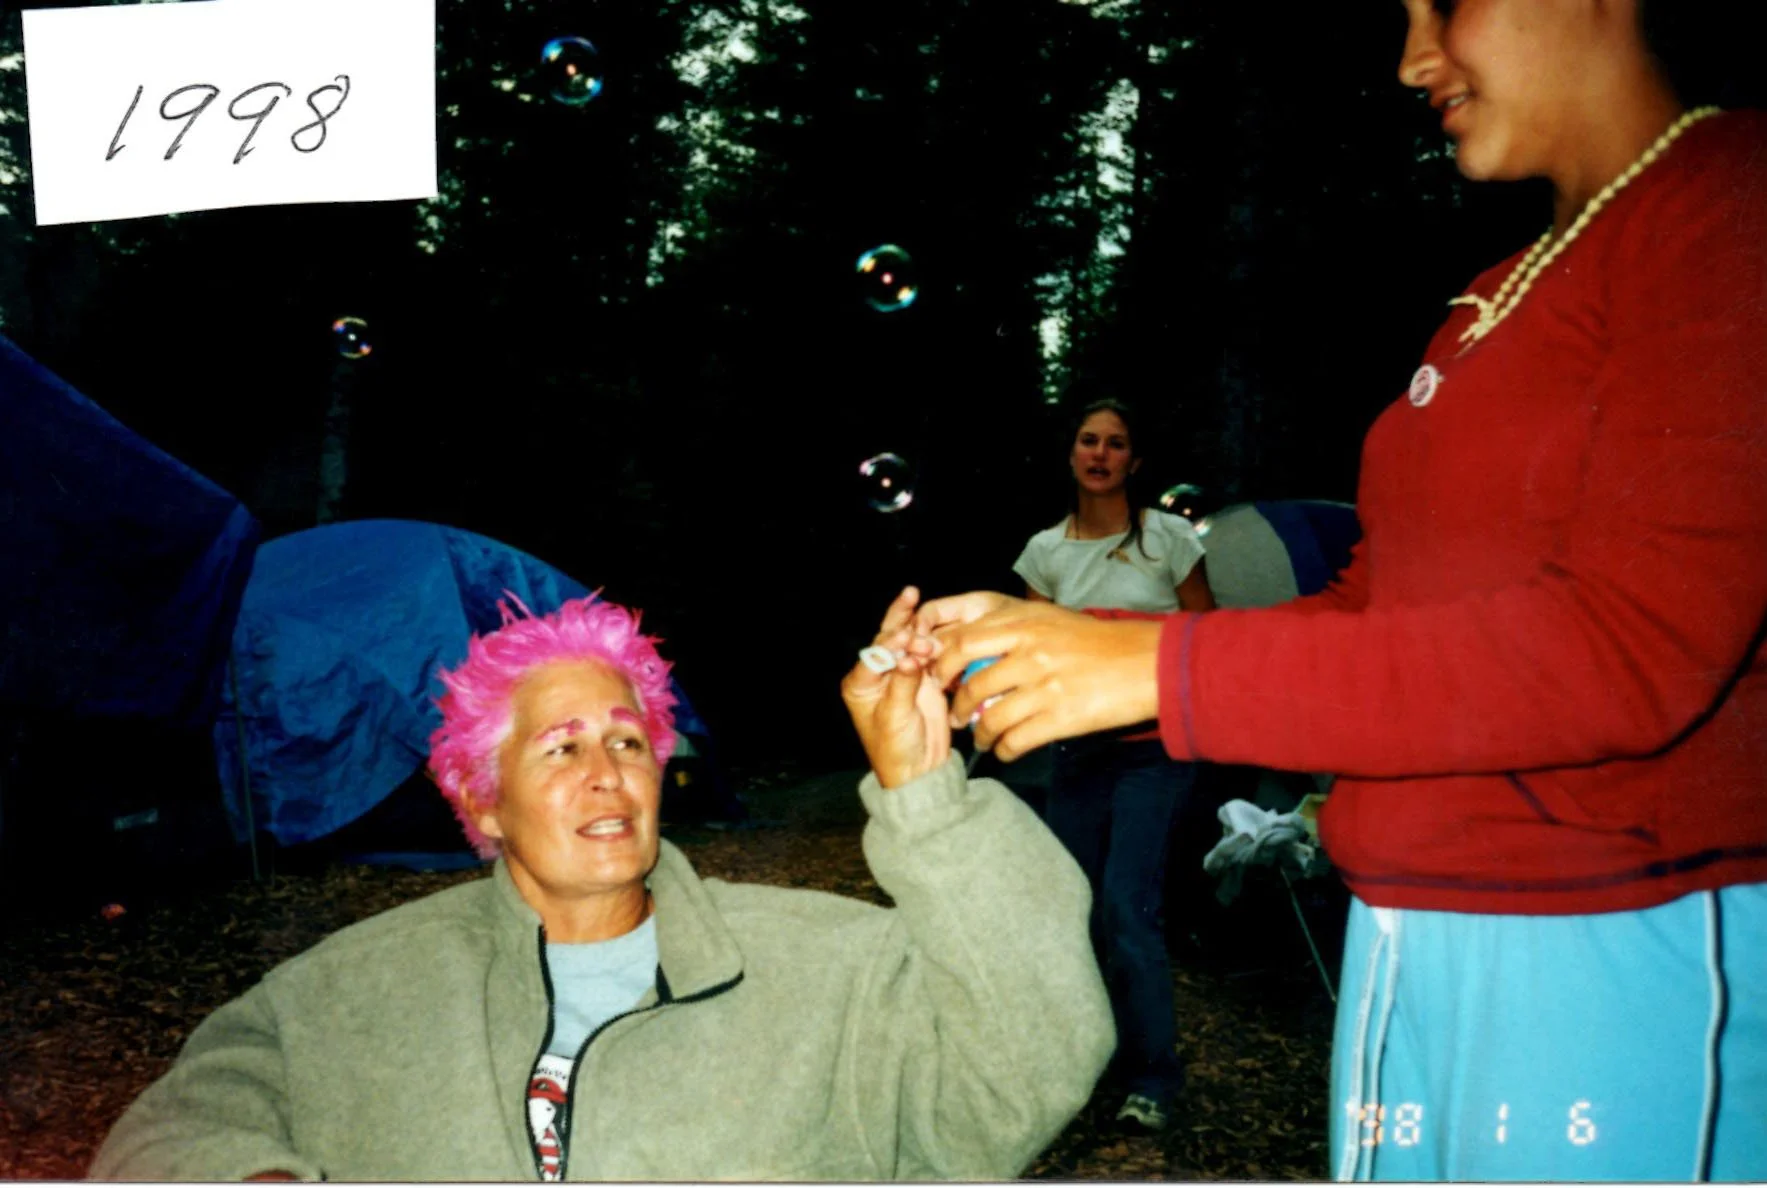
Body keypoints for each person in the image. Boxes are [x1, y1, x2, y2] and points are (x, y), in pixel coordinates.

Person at [913, 1, 1767, 1180]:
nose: (1414, 59)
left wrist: (1157, 664)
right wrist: (1072, 647)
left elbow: (1633, 647)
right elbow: (1379, 609)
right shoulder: (1496, 289)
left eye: (1445, 4)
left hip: (1612, 935)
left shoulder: (1730, 203)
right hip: (1408, 923)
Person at [89, 591, 1114, 1181]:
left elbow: (1035, 1055)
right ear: (482, 801)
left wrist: (923, 790)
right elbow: (172, 1128)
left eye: (628, 741)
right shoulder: (350, 992)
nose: (607, 772)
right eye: (560, 747)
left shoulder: (832, 970)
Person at [1012, 396, 1213, 1133]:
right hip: (1078, 753)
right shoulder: (1043, 552)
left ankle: (1152, 1076)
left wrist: (1123, 635)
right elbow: (1034, 650)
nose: (1100, 453)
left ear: (1135, 460)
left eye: (1116, 443)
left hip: (1154, 751)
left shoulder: (1169, 539)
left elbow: (1206, 638)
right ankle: (1082, 1062)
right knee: (1072, 908)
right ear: (1071, 454)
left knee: (1128, 907)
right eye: (1088, 440)